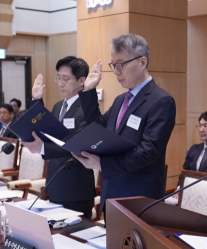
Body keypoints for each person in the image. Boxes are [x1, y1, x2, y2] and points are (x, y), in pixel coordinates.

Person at [72, 34, 176, 213]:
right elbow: (98, 128)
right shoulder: (121, 100)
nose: (116, 71)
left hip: (139, 198)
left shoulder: (161, 101)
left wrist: (103, 165)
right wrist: (89, 91)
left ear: (142, 62)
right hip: (112, 193)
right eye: (113, 65)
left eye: (121, 64)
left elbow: (148, 152)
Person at [22, 56, 97, 218]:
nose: (61, 83)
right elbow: (46, 131)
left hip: (76, 189)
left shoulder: (87, 109)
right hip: (55, 184)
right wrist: (36, 101)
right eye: (59, 78)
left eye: (66, 79)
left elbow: (77, 144)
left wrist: (42, 148)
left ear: (81, 81)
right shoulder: (58, 106)